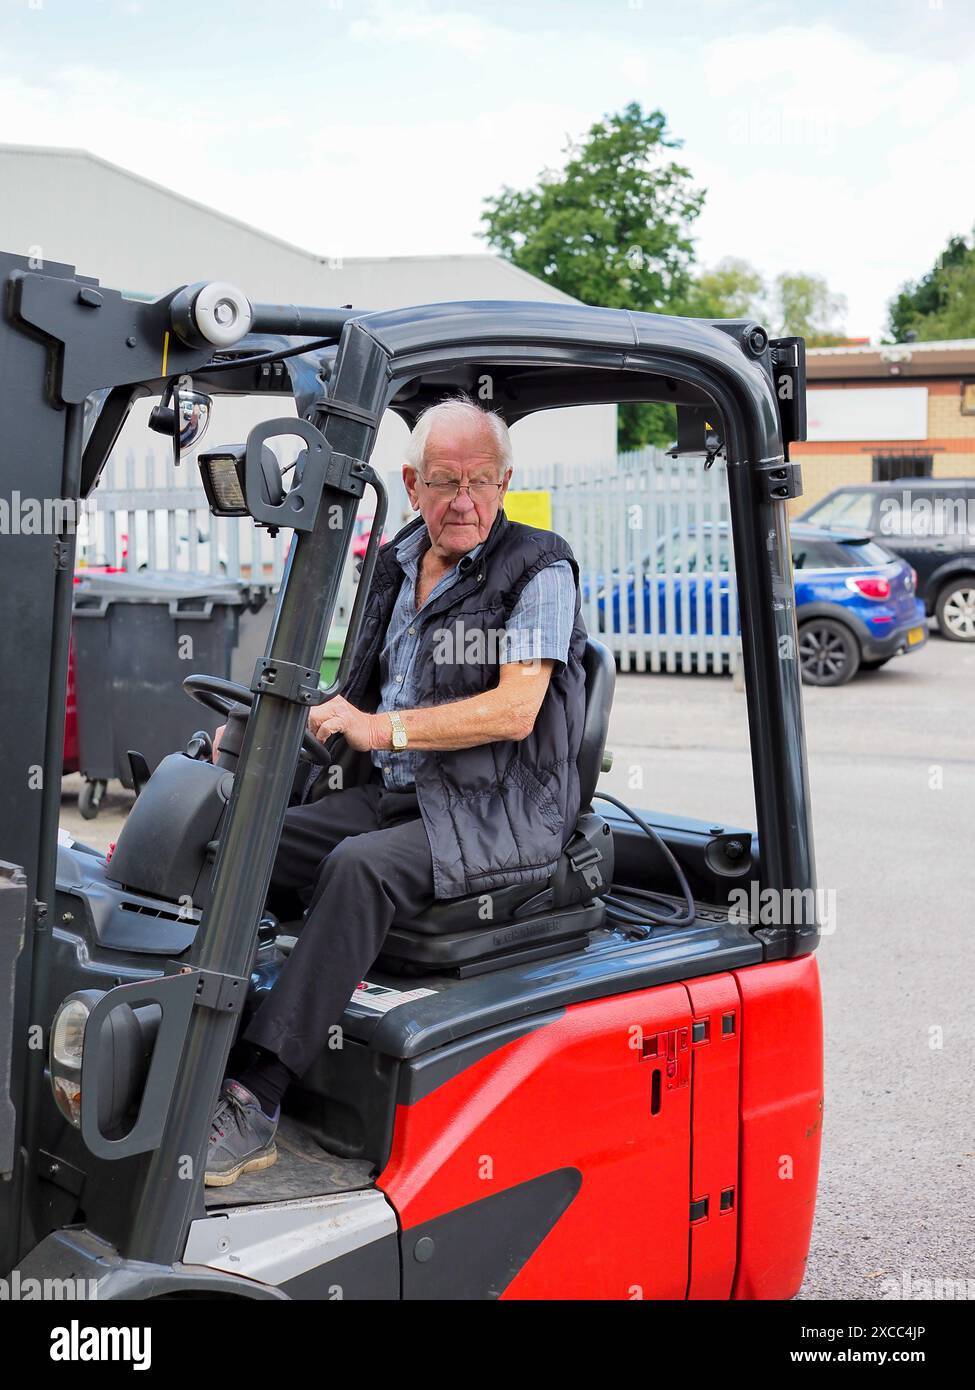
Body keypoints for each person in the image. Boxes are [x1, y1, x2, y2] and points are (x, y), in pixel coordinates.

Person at [206, 395, 588, 1186]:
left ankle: (255, 1098)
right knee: (245, 833)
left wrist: (387, 730)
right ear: (411, 484)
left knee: (358, 866)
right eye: (446, 481)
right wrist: (261, 736)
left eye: (481, 482)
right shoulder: (392, 560)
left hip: (499, 809)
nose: (463, 501)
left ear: (504, 482)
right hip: (400, 794)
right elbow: (356, 688)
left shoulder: (539, 568)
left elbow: (517, 711)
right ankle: (205, 1033)